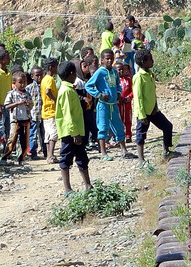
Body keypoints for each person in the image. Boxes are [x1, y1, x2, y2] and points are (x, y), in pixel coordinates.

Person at [132, 50, 175, 160]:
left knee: (167, 126)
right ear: (143, 61)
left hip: (153, 110)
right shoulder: (139, 77)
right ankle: (141, 159)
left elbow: (152, 93)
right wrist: (142, 115)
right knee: (141, 135)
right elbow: (138, 97)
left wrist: (156, 106)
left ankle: (166, 150)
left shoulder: (150, 74)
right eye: (150, 59)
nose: (153, 61)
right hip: (144, 112)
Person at [85, 50, 129, 158]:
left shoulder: (114, 72)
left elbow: (118, 85)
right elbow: (88, 86)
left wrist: (118, 93)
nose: (109, 60)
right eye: (107, 58)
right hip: (103, 105)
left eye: (111, 58)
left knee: (118, 126)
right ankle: (103, 152)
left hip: (113, 105)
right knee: (103, 127)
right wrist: (99, 94)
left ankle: (124, 150)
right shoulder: (100, 72)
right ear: (102, 60)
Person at [54, 61, 90, 192]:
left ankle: (88, 185)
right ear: (71, 74)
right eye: (75, 72)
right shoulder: (66, 91)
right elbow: (68, 114)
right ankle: (67, 188)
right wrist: (74, 133)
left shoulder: (69, 89)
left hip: (76, 130)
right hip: (70, 132)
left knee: (82, 157)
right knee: (66, 158)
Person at [4, 71, 32, 164]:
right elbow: (7, 106)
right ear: (14, 83)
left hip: (26, 119)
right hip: (15, 120)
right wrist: (17, 103)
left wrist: (28, 104)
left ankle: (21, 158)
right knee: (12, 139)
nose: (23, 84)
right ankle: (5, 157)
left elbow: (31, 105)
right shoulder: (11, 94)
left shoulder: (27, 94)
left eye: (25, 82)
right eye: (20, 82)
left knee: (24, 140)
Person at [38, 59, 59, 163]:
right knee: (54, 133)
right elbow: (48, 91)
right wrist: (56, 100)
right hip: (51, 110)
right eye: (56, 66)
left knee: (48, 134)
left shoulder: (44, 79)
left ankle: (49, 155)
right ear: (51, 67)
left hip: (45, 111)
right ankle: (50, 156)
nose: (57, 69)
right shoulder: (50, 79)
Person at [27, 68, 44, 160]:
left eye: (41, 75)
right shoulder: (29, 88)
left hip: (43, 114)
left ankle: (45, 151)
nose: (39, 77)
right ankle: (33, 152)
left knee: (43, 134)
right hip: (34, 115)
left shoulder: (44, 86)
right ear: (32, 76)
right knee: (33, 134)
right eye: (37, 75)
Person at [117, 61, 134, 142]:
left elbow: (132, 91)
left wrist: (128, 98)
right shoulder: (115, 80)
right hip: (118, 103)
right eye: (121, 69)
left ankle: (128, 135)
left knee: (128, 119)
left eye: (126, 69)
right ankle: (119, 136)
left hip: (127, 103)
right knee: (119, 119)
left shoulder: (128, 80)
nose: (123, 71)